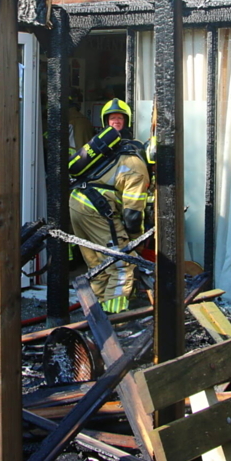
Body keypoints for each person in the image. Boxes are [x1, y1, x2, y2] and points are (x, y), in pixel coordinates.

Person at [68, 98, 149, 313]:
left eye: (119, 118)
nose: (116, 122)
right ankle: (116, 318)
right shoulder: (136, 165)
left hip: (77, 203)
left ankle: (95, 313)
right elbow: (132, 214)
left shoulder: (105, 151)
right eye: (113, 118)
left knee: (98, 265)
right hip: (97, 210)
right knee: (120, 263)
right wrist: (134, 242)